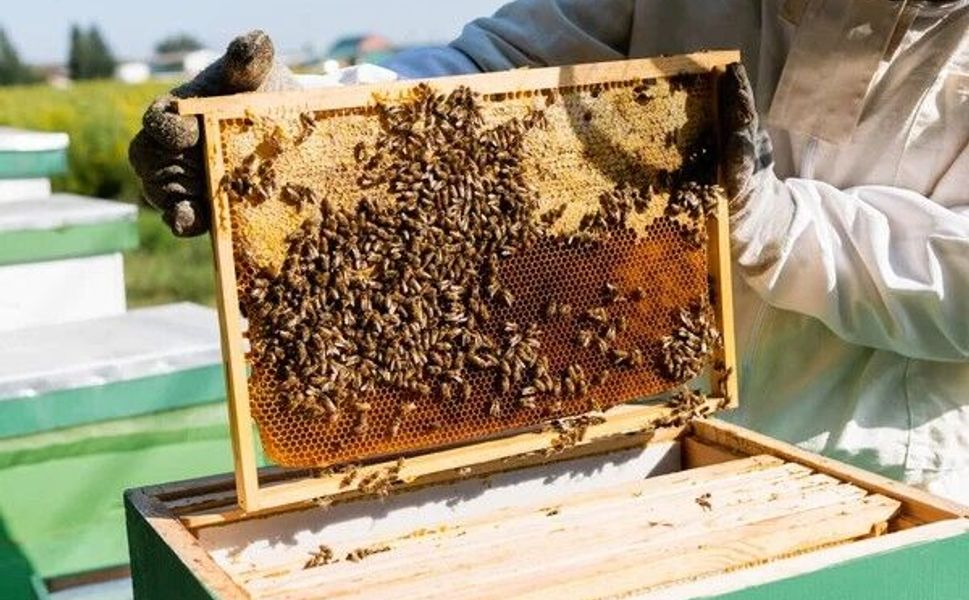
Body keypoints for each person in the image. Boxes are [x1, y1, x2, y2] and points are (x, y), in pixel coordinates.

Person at [129, 1, 969, 503]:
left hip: (886, 475)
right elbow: (495, 70)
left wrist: (768, 216)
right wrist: (278, 127)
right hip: (651, 437)